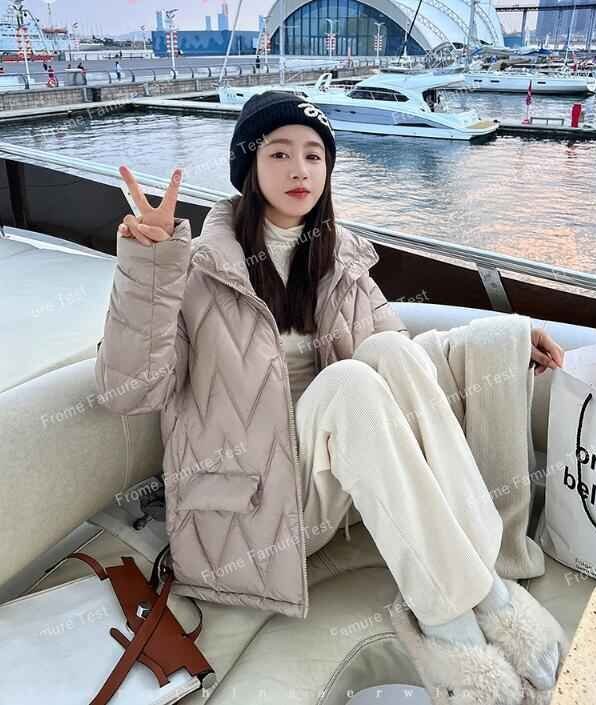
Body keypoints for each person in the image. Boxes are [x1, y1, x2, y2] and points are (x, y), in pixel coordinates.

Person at [96, 91, 565, 704]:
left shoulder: (341, 263)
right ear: (249, 166)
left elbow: (406, 364)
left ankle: (481, 593)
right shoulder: (198, 268)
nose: (300, 170)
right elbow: (130, 391)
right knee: (349, 382)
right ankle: (460, 617)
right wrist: (151, 266)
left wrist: (506, 338)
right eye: (279, 153)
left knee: (385, 352)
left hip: (326, 492)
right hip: (246, 513)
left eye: (314, 156)